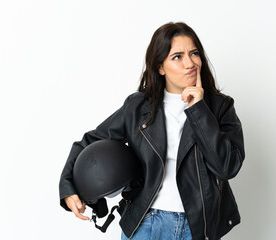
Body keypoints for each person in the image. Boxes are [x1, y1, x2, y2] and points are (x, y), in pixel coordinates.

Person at [59, 22, 245, 240]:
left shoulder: (220, 107)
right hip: (145, 223)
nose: (190, 63)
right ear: (160, 67)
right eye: (177, 56)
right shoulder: (138, 107)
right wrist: (68, 186)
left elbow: (227, 167)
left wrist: (198, 109)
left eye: (194, 53)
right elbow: (90, 141)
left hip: (196, 227)